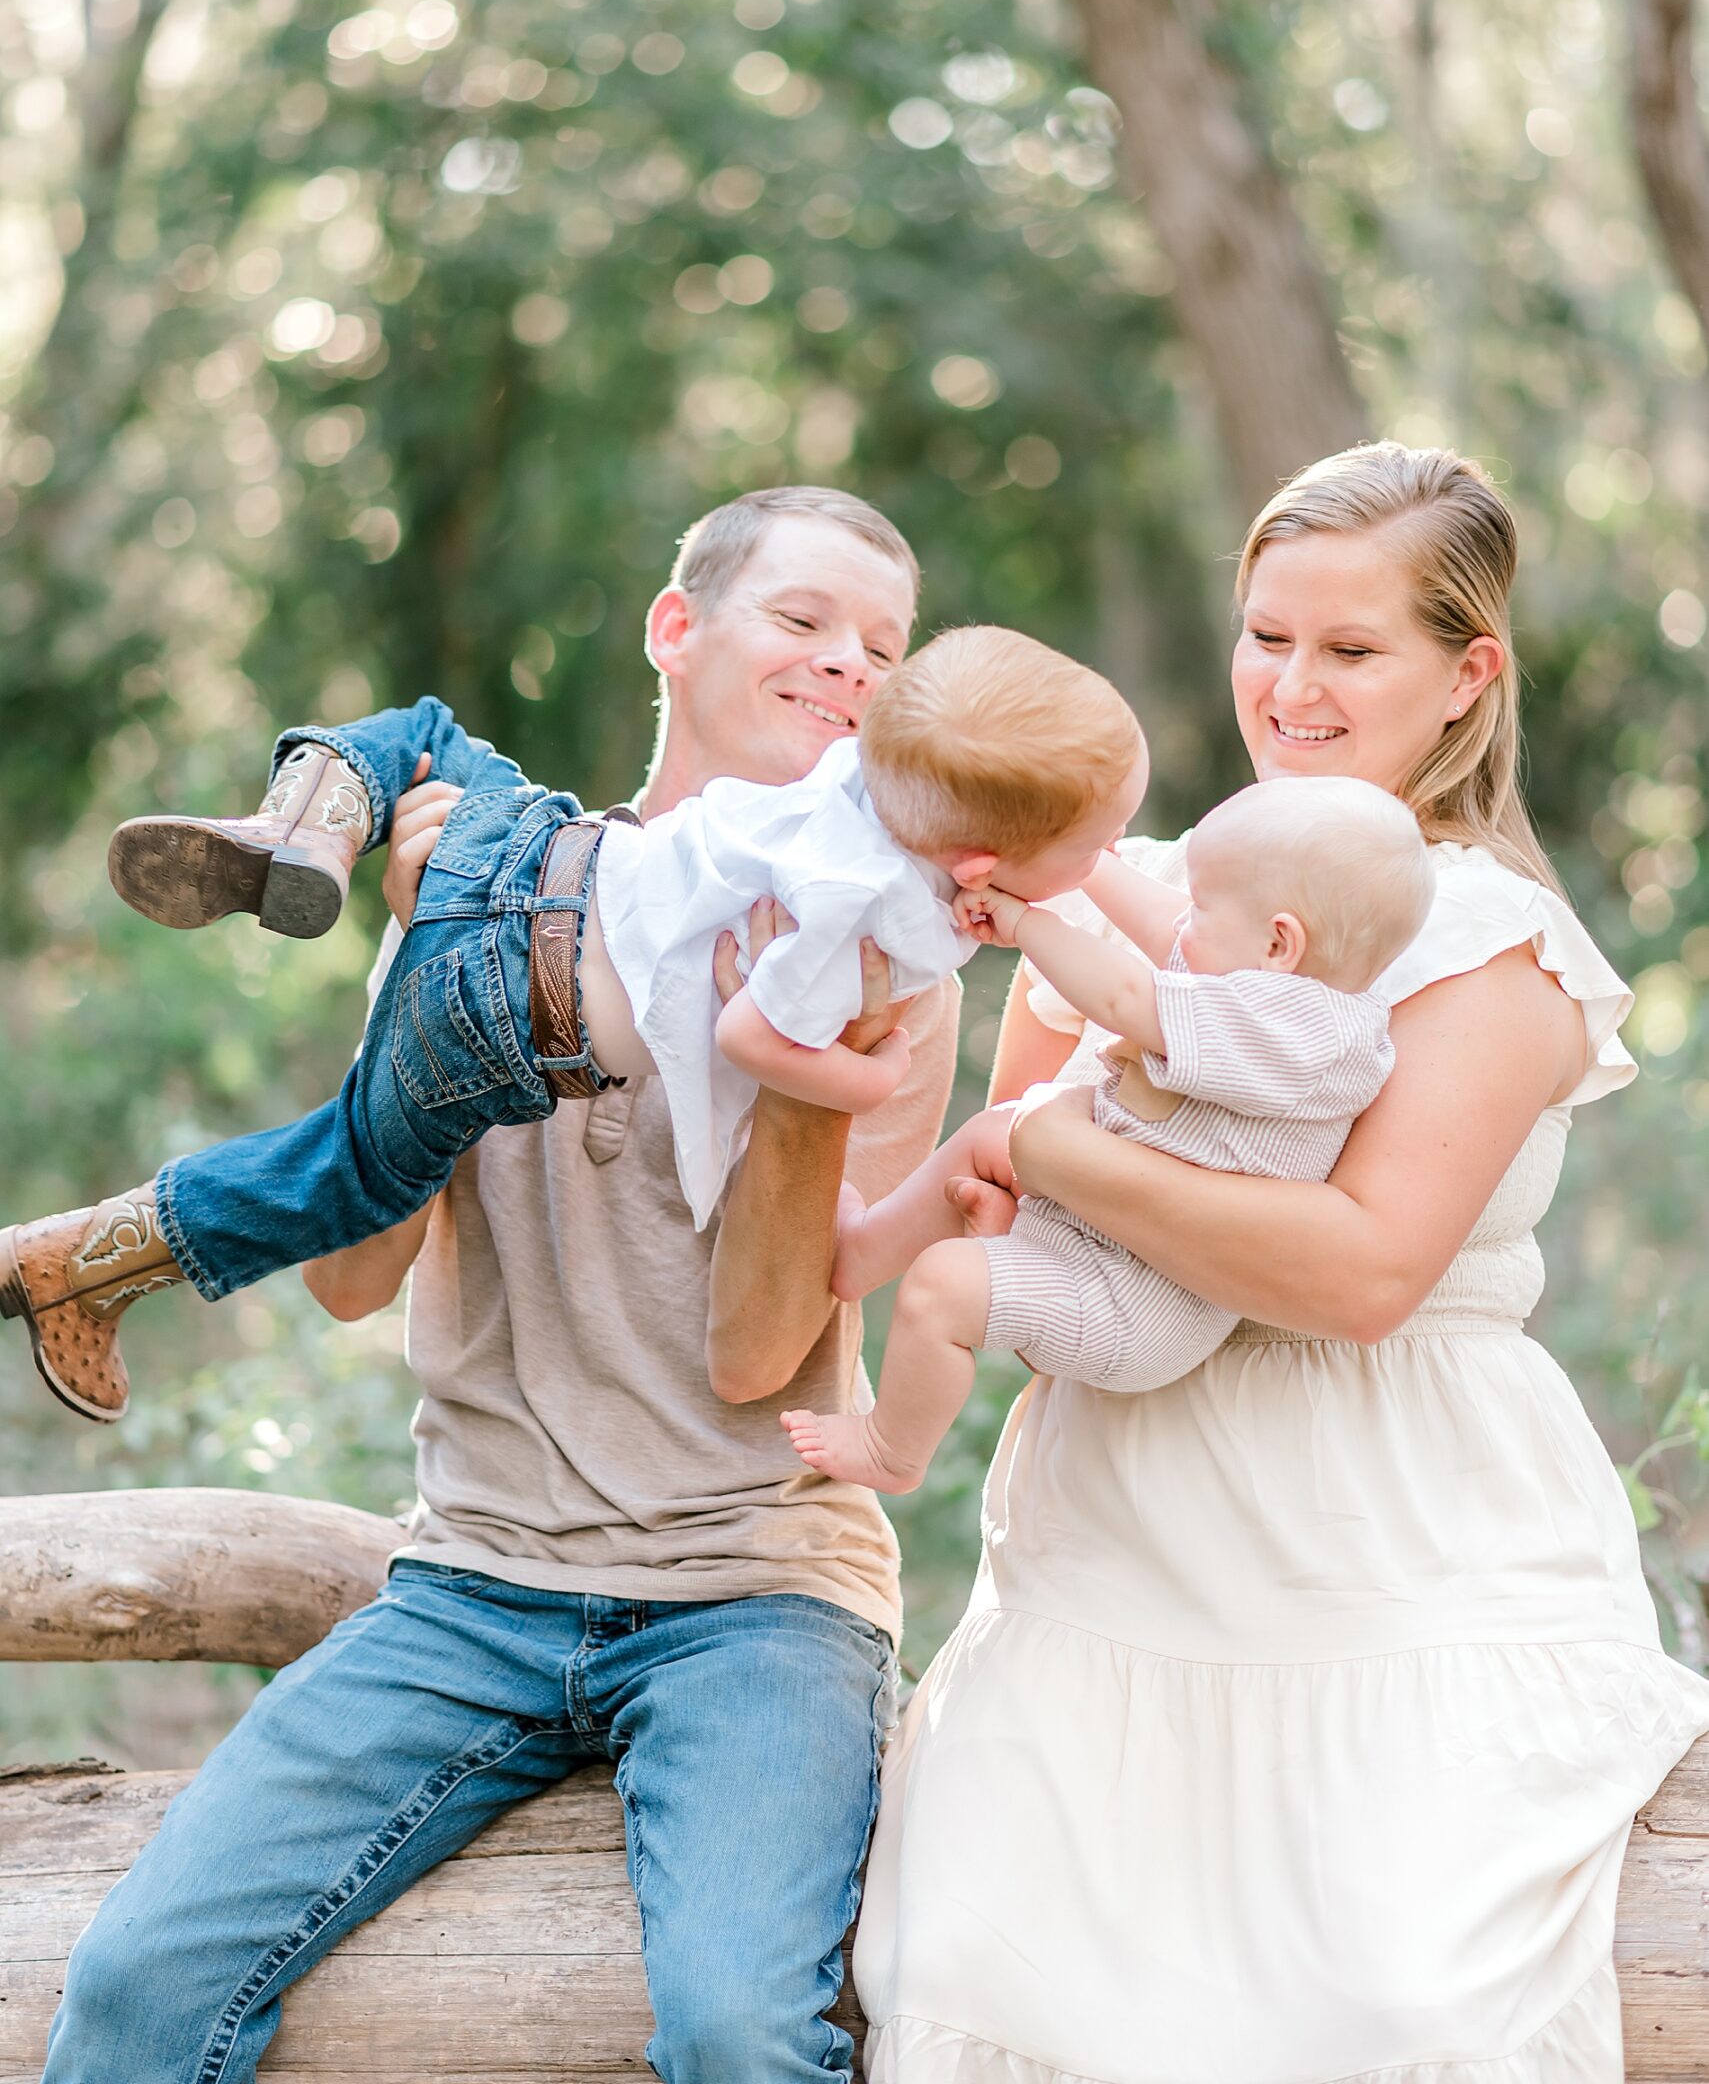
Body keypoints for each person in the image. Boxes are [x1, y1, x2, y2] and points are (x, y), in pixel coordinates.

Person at [38, 485, 964, 2084]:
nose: (846, 668)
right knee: (135, 1988)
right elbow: (345, 1284)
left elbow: (763, 1354)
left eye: (883, 650)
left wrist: (796, 1076)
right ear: (678, 631)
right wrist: (423, 971)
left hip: (754, 1594)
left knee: (746, 2030)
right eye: (803, 621)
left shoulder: (887, 956)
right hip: (475, 1581)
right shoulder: (486, 886)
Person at [854, 443, 1709, 2084]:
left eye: (1347, 649)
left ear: (1466, 675)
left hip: (1388, 1542)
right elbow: (1016, 1189)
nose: (1288, 686)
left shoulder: (1490, 939)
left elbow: (1353, 1270)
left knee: (1390, 2000)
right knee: (991, 1984)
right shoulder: (1145, 901)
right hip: (1118, 1548)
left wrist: (1048, 1147)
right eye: (1265, 636)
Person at [2, 629, 1142, 1424]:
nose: (850, 661)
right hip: (503, 1020)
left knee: (434, 737)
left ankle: (310, 813)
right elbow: (753, 1038)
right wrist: (861, 1073)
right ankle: (88, 1262)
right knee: (344, 1172)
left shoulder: (856, 778)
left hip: (541, 855)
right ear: (981, 866)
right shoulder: (865, 932)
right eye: (1089, 851)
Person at [782, 777, 1432, 1494]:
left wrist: (1027, 925)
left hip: (1127, 1301)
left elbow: (1126, 994)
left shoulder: (1299, 1032)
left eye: (1205, 908)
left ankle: (891, 1450)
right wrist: (1086, 863)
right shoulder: (1268, 979)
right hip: (1096, 1231)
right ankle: (860, 1254)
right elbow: (1164, 927)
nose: (1184, 924)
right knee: (993, 1132)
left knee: (943, 1287)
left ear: (1280, 941)